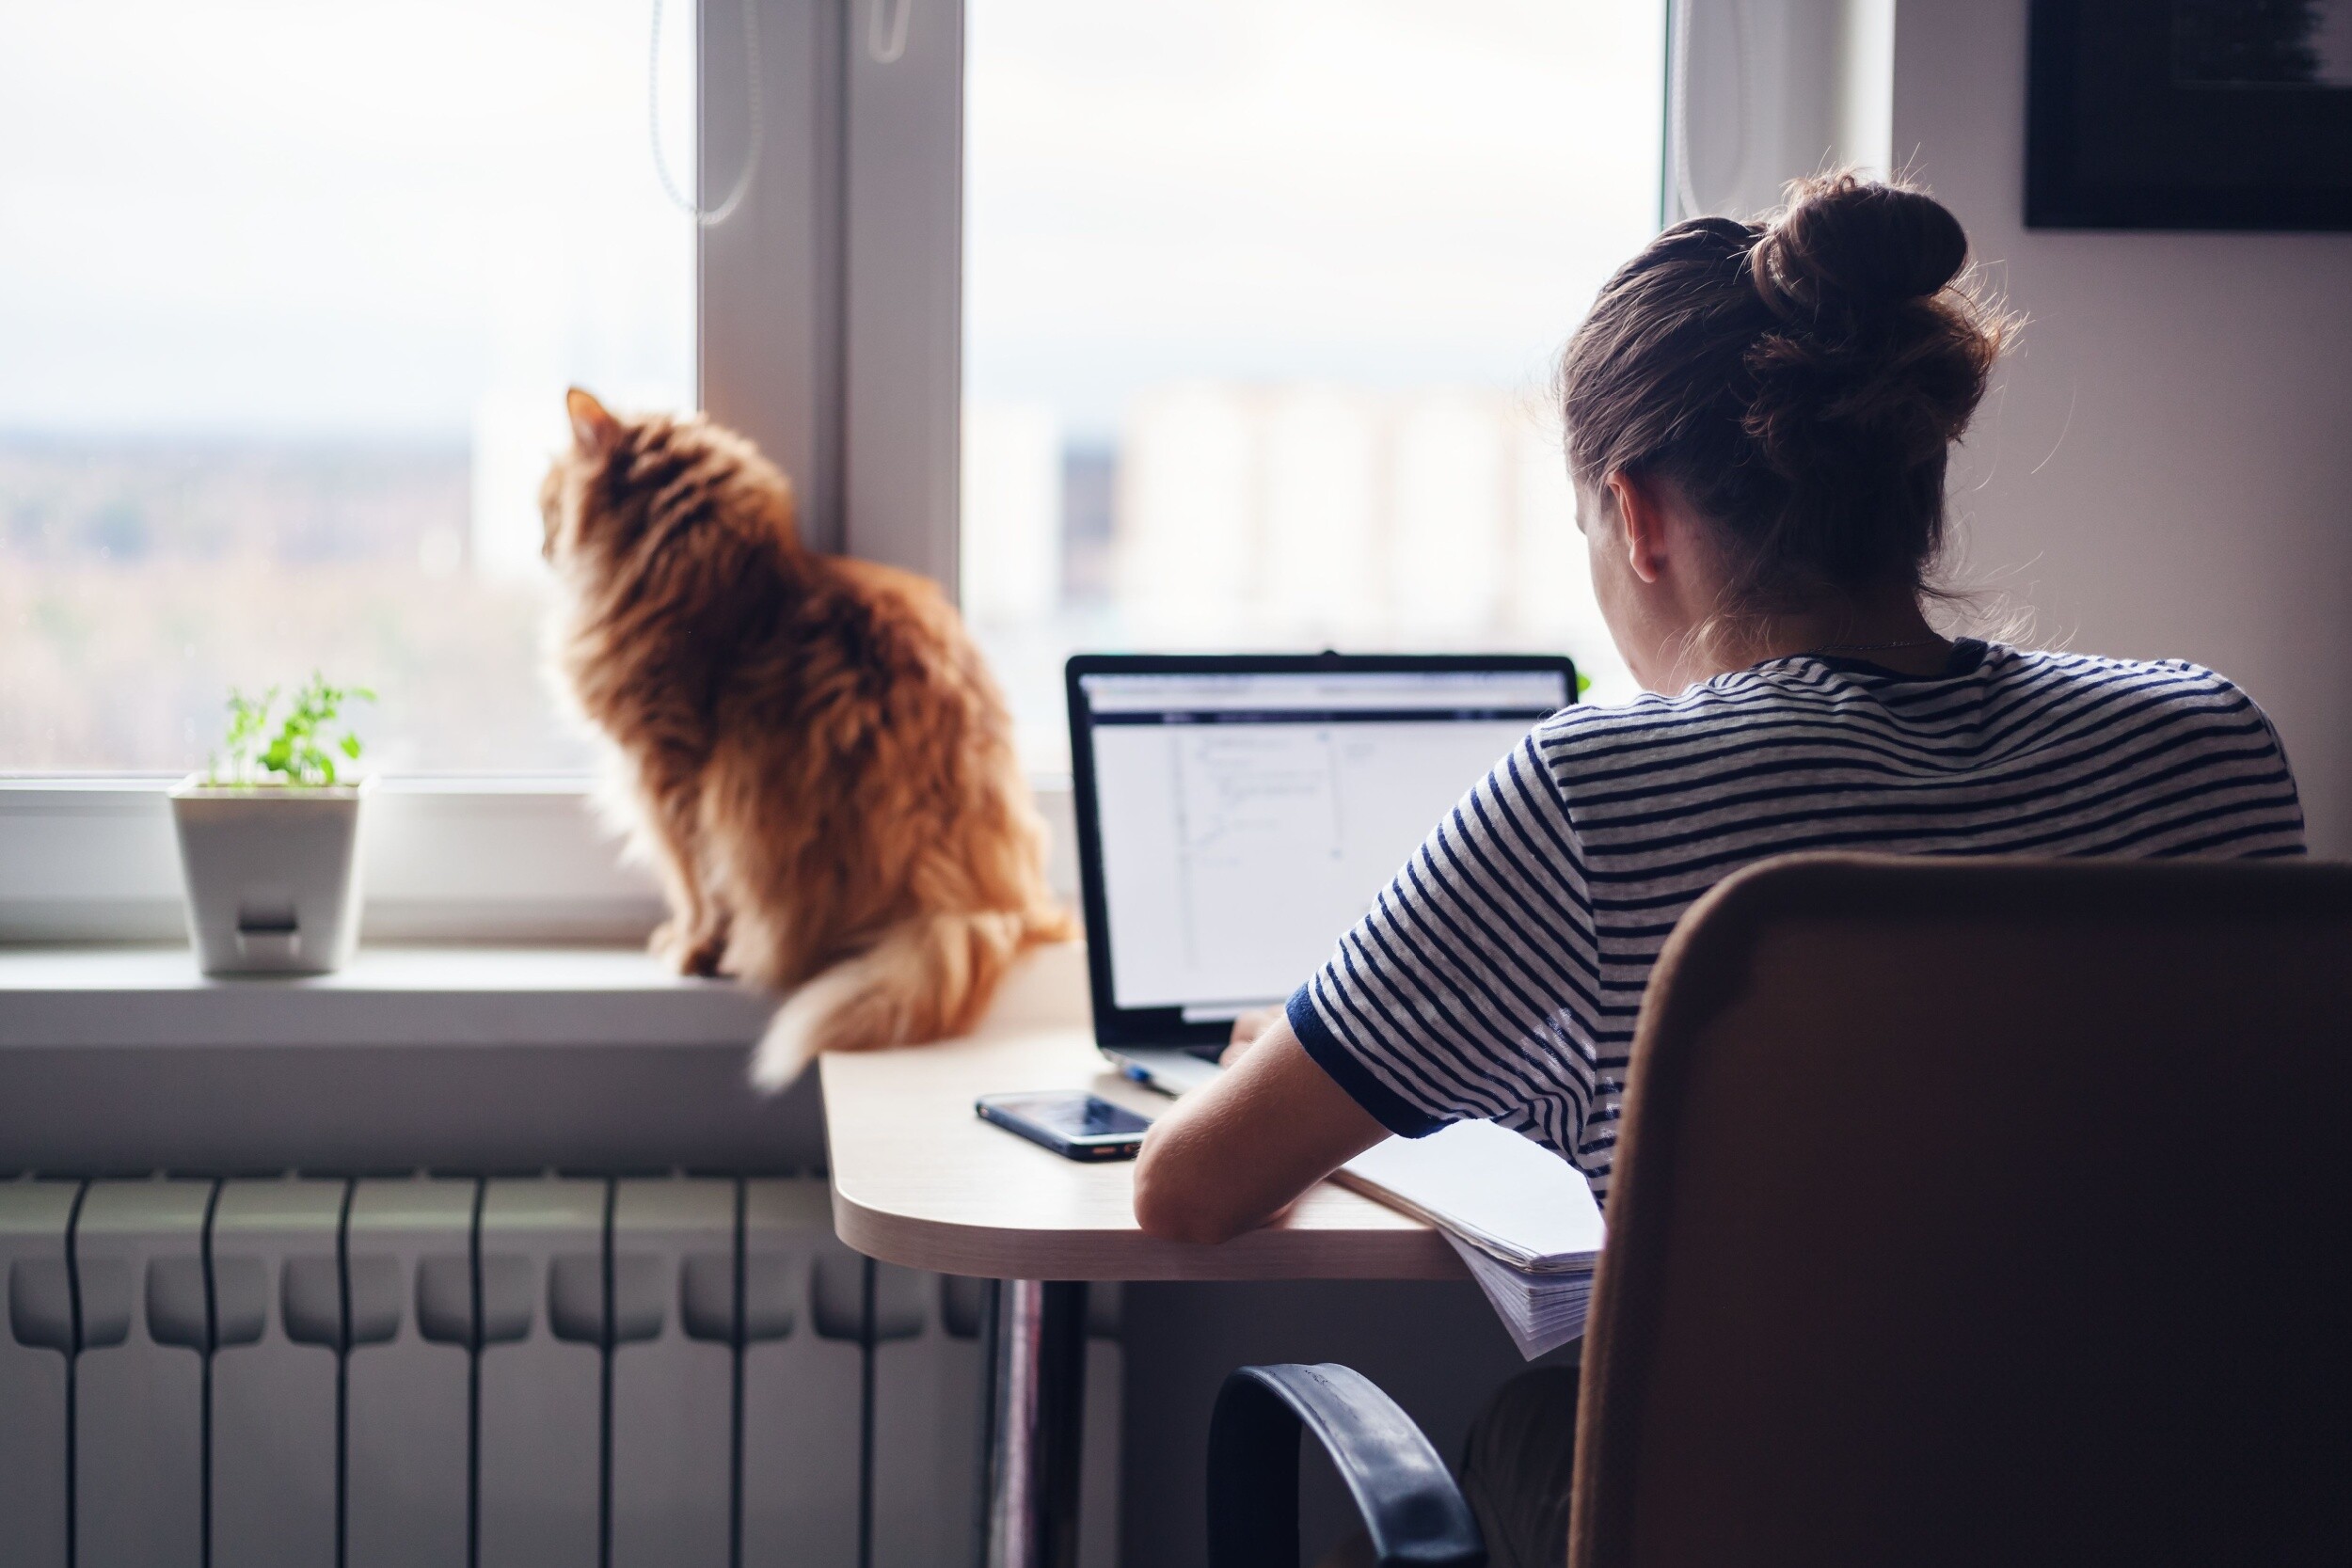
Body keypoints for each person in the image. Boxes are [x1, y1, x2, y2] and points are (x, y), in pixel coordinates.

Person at [1132, 172, 2307, 1568]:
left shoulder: (1595, 790)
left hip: (1778, 1526)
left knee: (1525, 1424)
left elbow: (1188, 1189)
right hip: (2173, 1504)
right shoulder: (2208, 741)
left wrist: (1328, 1059)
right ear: (1917, 475)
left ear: (1636, 518)